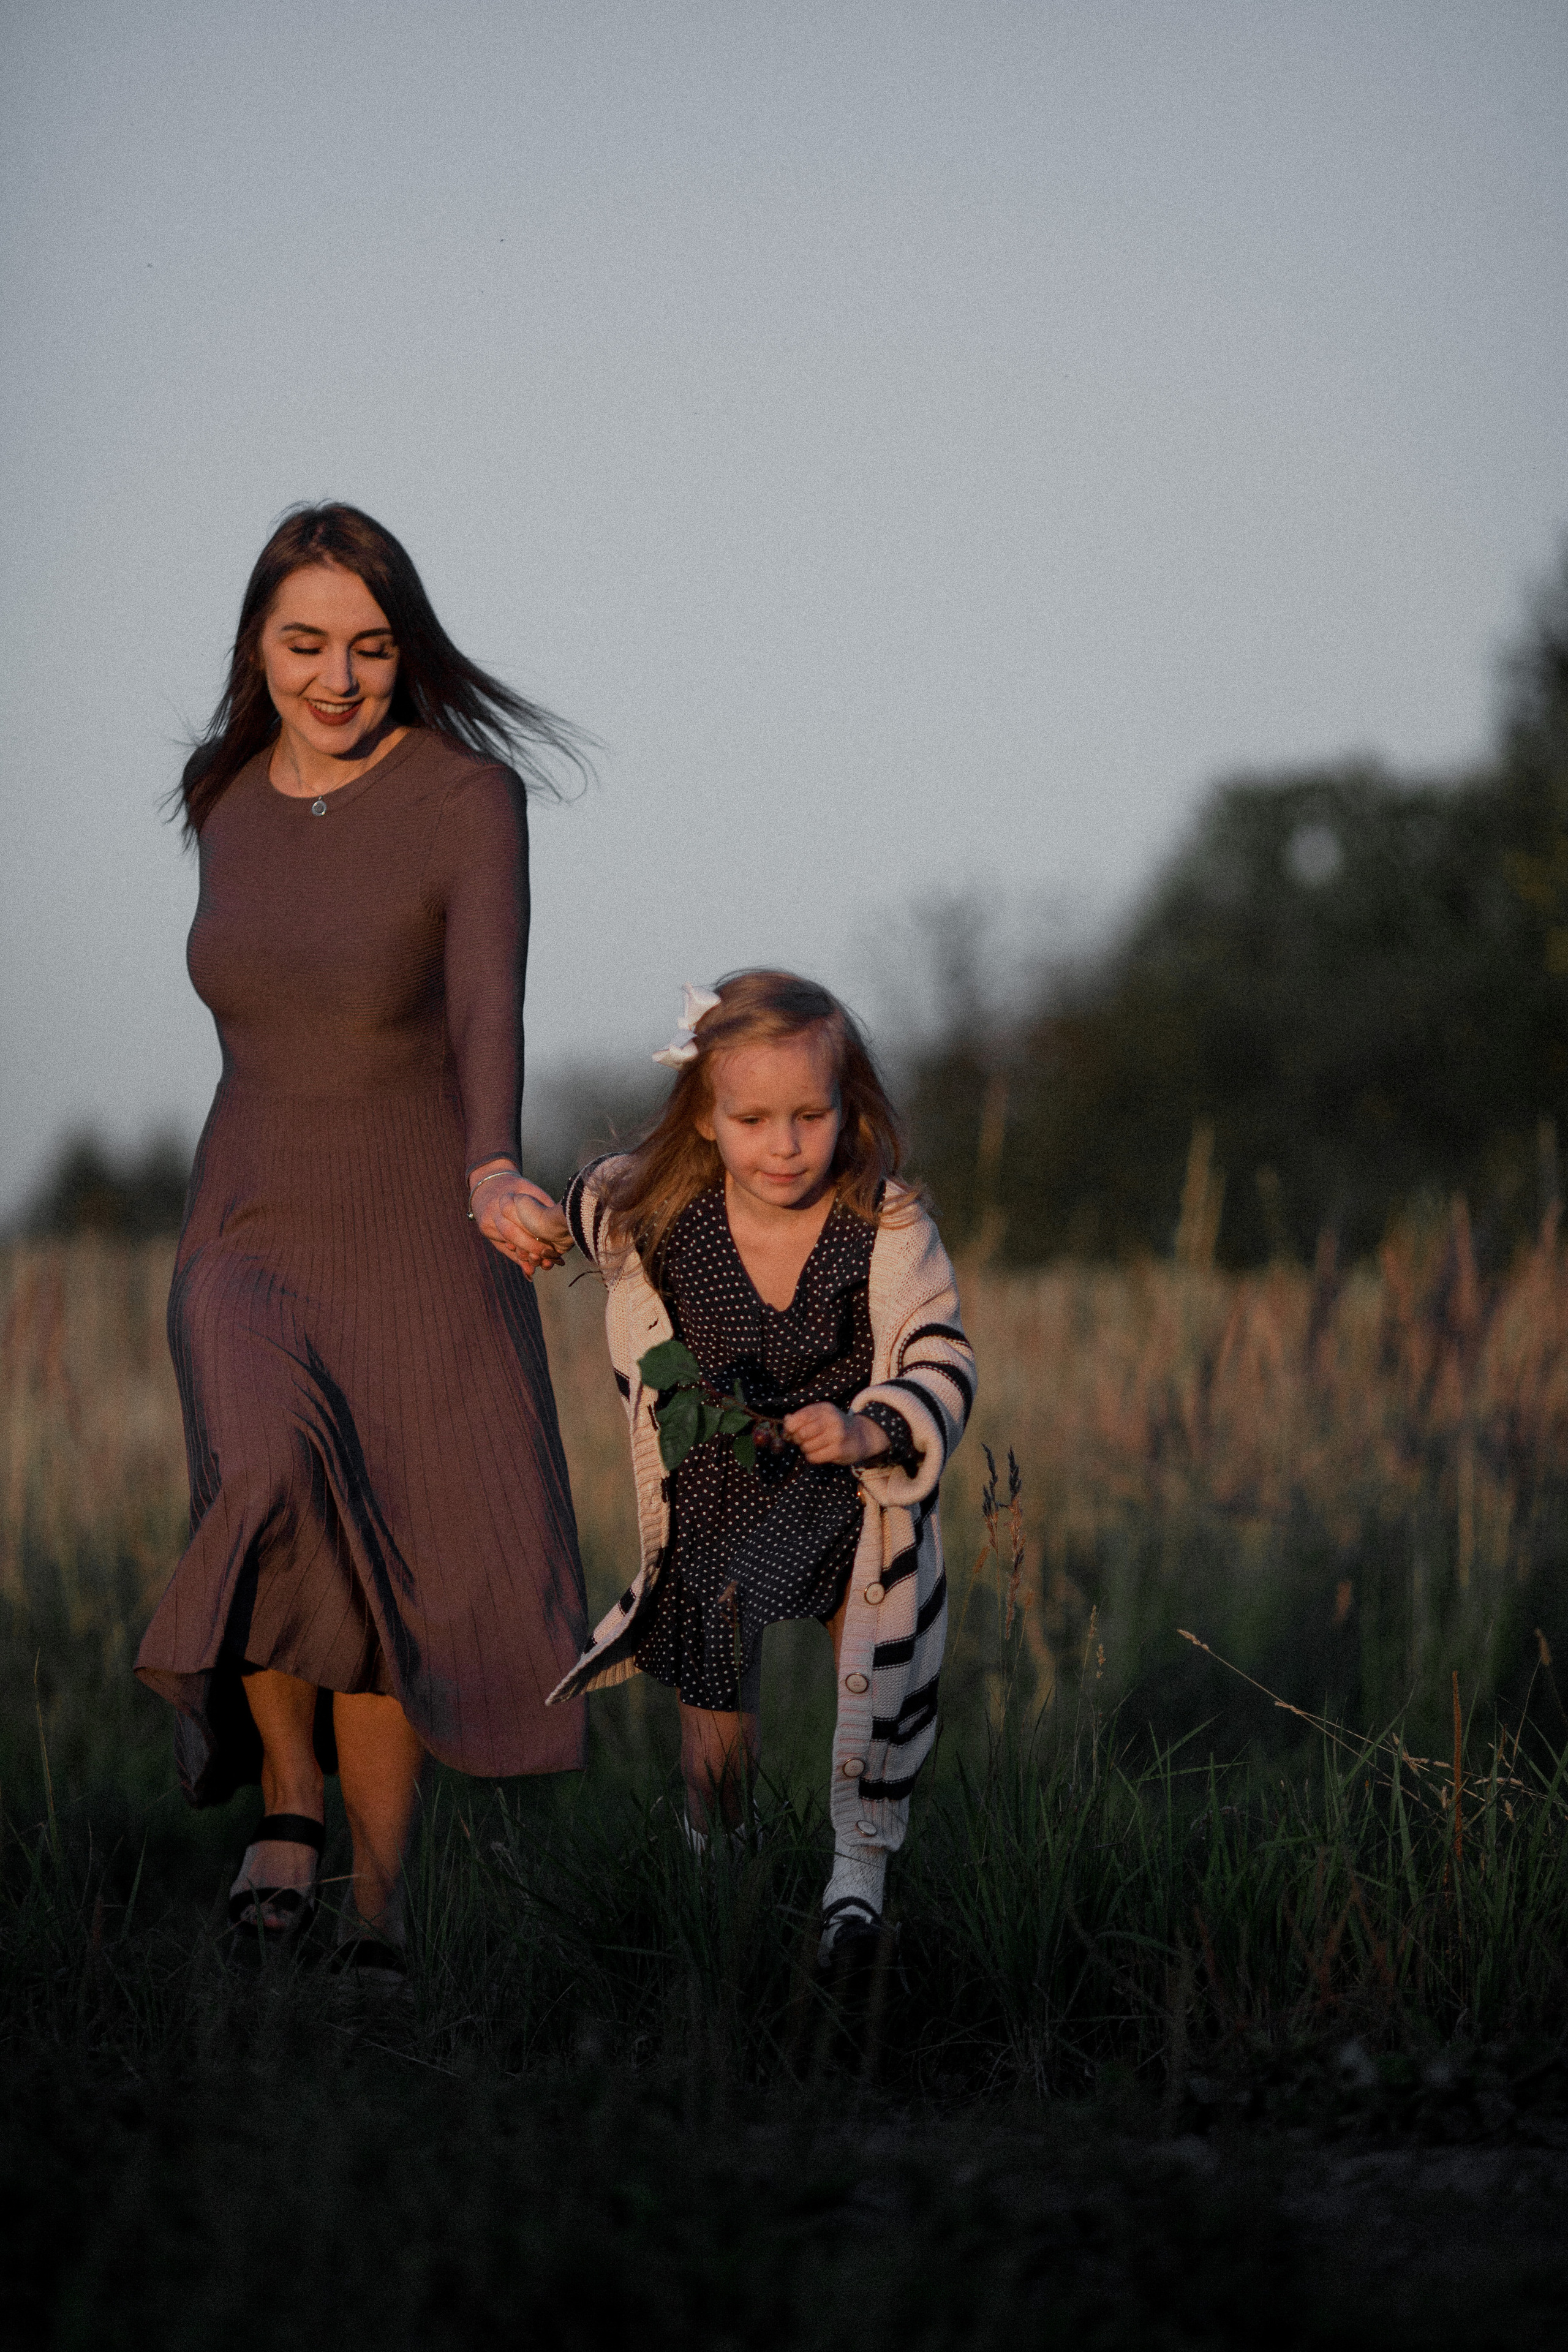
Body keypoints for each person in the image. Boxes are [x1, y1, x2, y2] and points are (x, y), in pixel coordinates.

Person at [135, 502, 588, 1985]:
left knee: (382, 1541)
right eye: (304, 642)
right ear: (256, 644)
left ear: (409, 652)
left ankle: (380, 1916)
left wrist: (491, 1162)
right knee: (264, 1476)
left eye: (371, 648)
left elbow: (481, 1006)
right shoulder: (221, 794)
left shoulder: (466, 797)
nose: (337, 677)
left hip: (415, 1218)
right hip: (248, 1212)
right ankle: (287, 1796)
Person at [536, 971, 975, 1959]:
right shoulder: (660, 1214)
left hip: (853, 1502)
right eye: (753, 1118)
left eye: (811, 1116)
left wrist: (875, 1428)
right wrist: (526, 1216)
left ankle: (856, 1887)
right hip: (717, 1502)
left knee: (875, 1687)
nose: (783, 1145)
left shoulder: (887, 1227)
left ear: (848, 1111)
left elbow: (942, 1355)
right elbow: (580, 1204)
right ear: (703, 1117)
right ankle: (717, 1887)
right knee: (716, 1727)